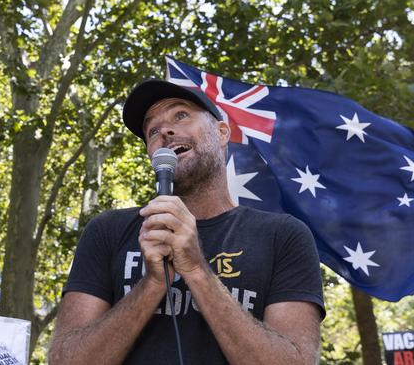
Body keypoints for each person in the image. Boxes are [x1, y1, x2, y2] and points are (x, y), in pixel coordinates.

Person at [49, 80, 325, 365]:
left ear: (221, 133)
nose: (164, 131)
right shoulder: (107, 230)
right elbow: (66, 361)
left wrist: (196, 269)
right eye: (152, 130)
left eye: (181, 115)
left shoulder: (284, 236)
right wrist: (153, 283)